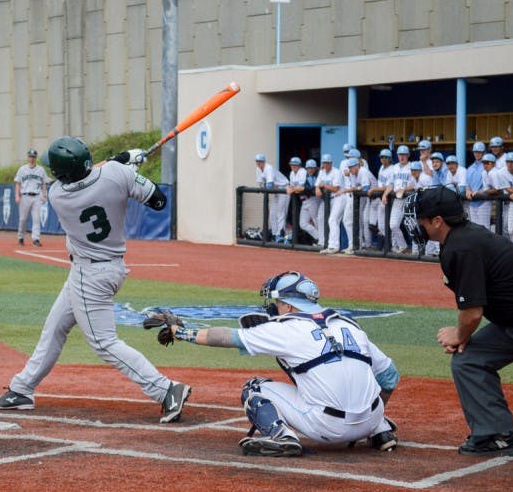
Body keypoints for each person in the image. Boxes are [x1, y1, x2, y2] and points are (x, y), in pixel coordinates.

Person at [0, 137, 192, 422]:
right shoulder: (116, 175)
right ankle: (22, 388)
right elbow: (158, 200)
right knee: (55, 327)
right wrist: (129, 170)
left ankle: (165, 389)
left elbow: (92, 177)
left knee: (104, 342)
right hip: (108, 268)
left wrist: (121, 162)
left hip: (90, 275)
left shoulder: (59, 195)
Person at [152, 271, 399, 457]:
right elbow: (390, 377)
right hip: (371, 418)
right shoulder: (348, 324)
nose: (274, 307)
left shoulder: (287, 329)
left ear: (289, 305)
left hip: (328, 428)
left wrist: (179, 332)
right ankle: (381, 431)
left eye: (278, 302)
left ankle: (283, 437)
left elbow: (227, 338)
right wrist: (368, 418)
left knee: (254, 388)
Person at [403, 186, 513, 456]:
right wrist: (463, 338)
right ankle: (495, 434)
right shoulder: (458, 240)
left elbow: (473, 312)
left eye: (421, 219)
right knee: (469, 360)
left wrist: (459, 335)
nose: (417, 224)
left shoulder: (462, 247)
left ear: (437, 221)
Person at [320, 157, 364, 254]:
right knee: (342, 221)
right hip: (344, 195)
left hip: (345, 195)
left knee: (345, 221)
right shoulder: (345, 166)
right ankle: (343, 245)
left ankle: (351, 245)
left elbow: (337, 188)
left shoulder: (360, 170)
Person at [13, 148, 49, 246]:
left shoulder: (40, 170)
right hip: (25, 196)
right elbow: (18, 183)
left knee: (36, 219)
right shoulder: (22, 169)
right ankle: (20, 237)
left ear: (36, 158)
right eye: (30, 156)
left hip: (37, 196)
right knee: (23, 219)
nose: (32, 158)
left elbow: (44, 184)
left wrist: (44, 196)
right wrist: (17, 196)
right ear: (28, 157)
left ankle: (35, 239)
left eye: (33, 157)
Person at [382, 145, 414, 254]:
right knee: (393, 225)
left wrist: (404, 189)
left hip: (410, 198)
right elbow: (391, 183)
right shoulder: (395, 167)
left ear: (408, 155)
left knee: (414, 225)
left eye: (404, 154)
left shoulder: (412, 166)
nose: (402, 157)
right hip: (398, 199)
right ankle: (402, 246)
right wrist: (385, 194)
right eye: (400, 154)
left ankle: (418, 249)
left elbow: (414, 183)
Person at [254, 153, 290, 243]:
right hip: (276, 191)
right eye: (257, 161)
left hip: (284, 189)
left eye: (260, 161)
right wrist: (265, 185)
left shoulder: (268, 168)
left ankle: (281, 236)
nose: (259, 163)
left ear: (264, 161)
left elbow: (269, 185)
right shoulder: (258, 169)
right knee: (272, 214)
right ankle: (275, 235)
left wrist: (266, 185)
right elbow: (260, 184)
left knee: (280, 213)